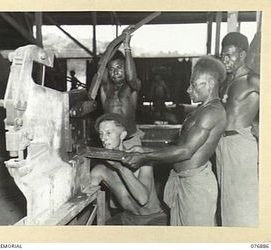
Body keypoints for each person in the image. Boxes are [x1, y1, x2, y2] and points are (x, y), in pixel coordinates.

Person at [121, 56, 227, 226]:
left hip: (195, 186)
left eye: (193, 84)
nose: (188, 89)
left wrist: (145, 156)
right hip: (183, 181)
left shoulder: (212, 112)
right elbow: (178, 145)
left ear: (210, 84)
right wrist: (144, 150)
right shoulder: (201, 110)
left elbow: (186, 151)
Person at [90, 113, 168, 225]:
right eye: (101, 134)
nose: (103, 138)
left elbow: (143, 199)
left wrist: (119, 166)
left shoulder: (140, 156)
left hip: (154, 217)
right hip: (128, 218)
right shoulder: (100, 171)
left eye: (108, 133)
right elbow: (86, 198)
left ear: (122, 135)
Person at [217, 32, 259, 226]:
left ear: (242, 55)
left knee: (243, 202)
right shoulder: (226, 81)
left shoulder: (253, 79)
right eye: (222, 55)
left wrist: (258, 129)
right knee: (226, 201)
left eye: (229, 55)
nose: (224, 60)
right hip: (222, 143)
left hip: (241, 145)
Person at [100, 29, 143, 148]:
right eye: (112, 69)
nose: (115, 72)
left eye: (119, 68)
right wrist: (115, 43)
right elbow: (102, 64)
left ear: (126, 67)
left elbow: (131, 78)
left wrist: (127, 46)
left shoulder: (132, 86)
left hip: (130, 140)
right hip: (110, 140)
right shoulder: (106, 87)